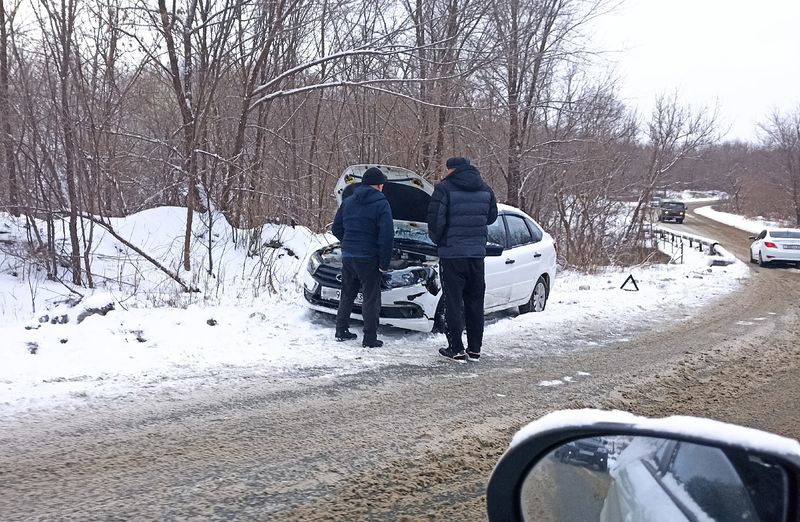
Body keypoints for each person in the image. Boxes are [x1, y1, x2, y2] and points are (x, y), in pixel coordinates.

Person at [426, 157, 498, 361]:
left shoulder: (444, 189)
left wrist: (439, 240)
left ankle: (455, 348)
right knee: (475, 302)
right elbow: (492, 217)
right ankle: (475, 349)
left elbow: (435, 220)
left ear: (450, 170)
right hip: (476, 255)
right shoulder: (485, 188)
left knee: (454, 302)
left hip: (452, 255)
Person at [332, 166, 394, 348]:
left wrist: (349, 242)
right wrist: (384, 262)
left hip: (349, 256)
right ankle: (369, 338)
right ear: (379, 185)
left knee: (348, 293)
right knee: (370, 297)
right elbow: (387, 236)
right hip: (369, 258)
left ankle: (341, 330)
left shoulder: (349, 201)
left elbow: (336, 228)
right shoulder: (382, 204)